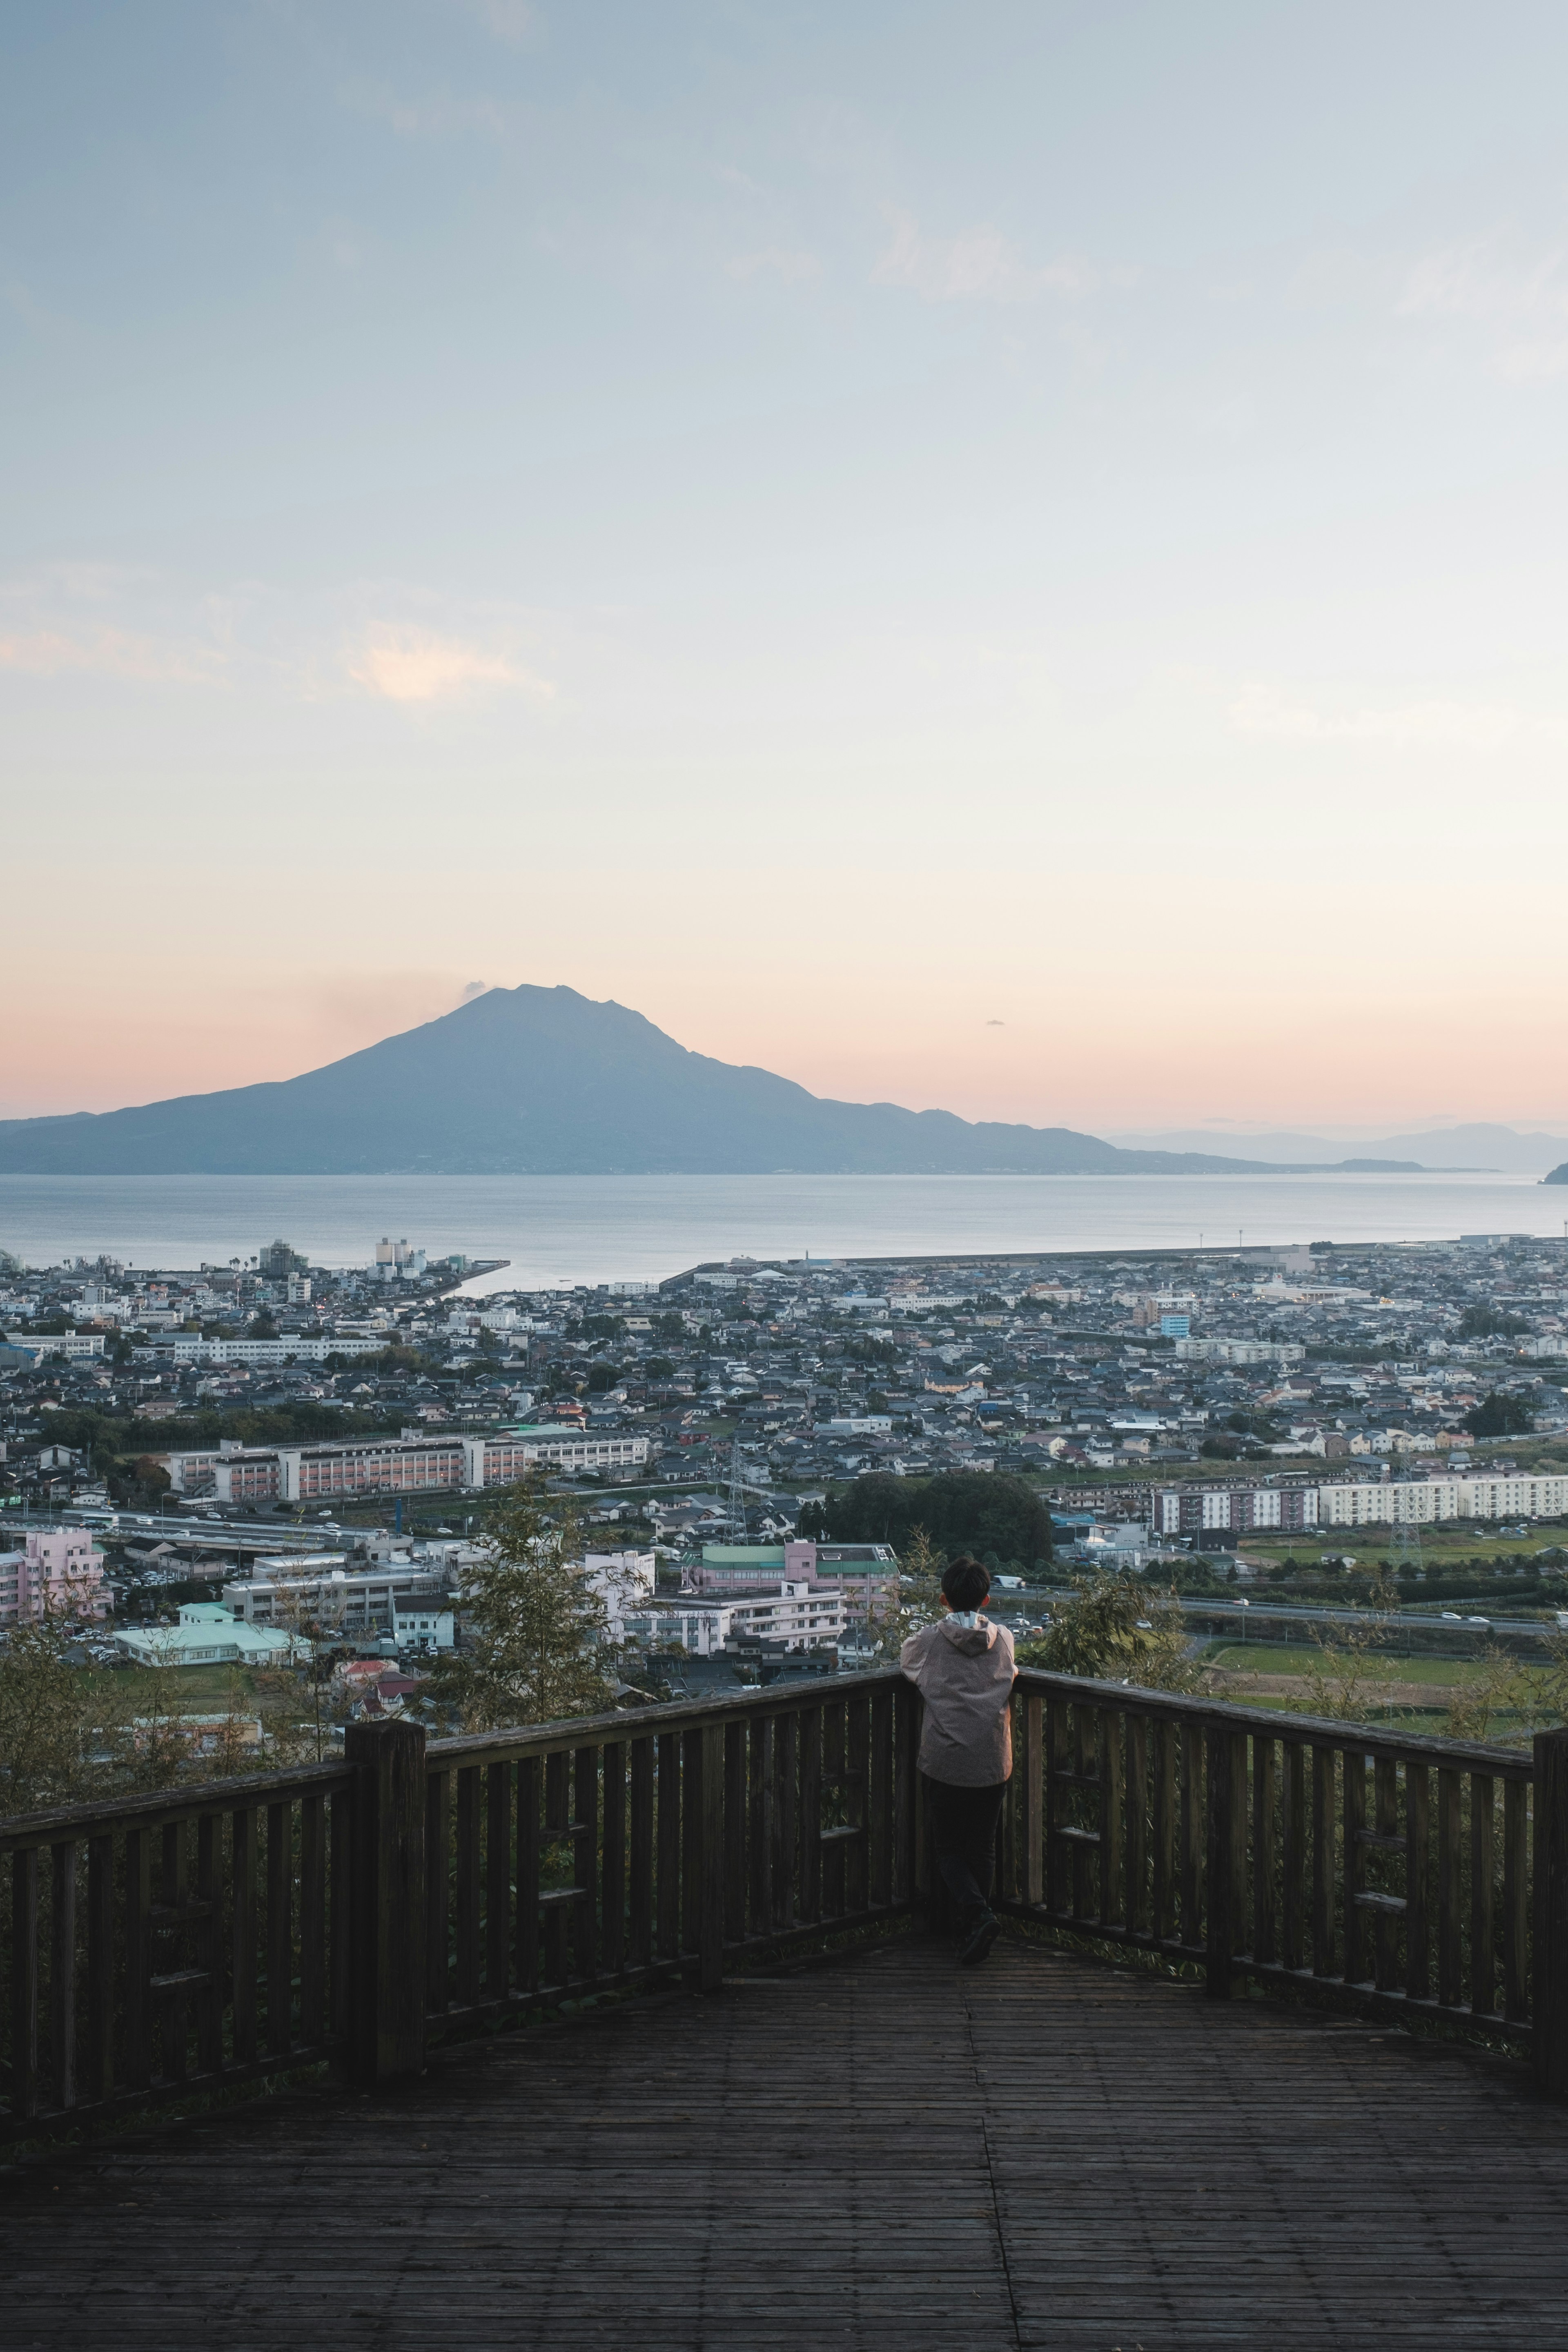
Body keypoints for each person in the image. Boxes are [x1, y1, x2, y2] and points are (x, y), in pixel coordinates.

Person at [899, 1554, 1016, 1966]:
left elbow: (908, 1665)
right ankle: (974, 1926)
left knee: (947, 1848)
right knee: (982, 1849)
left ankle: (978, 1916)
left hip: (946, 1759)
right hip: (992, 1760)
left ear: (944, 1600)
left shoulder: (930, 1641)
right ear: (987, 1600)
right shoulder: (1003, 1638)